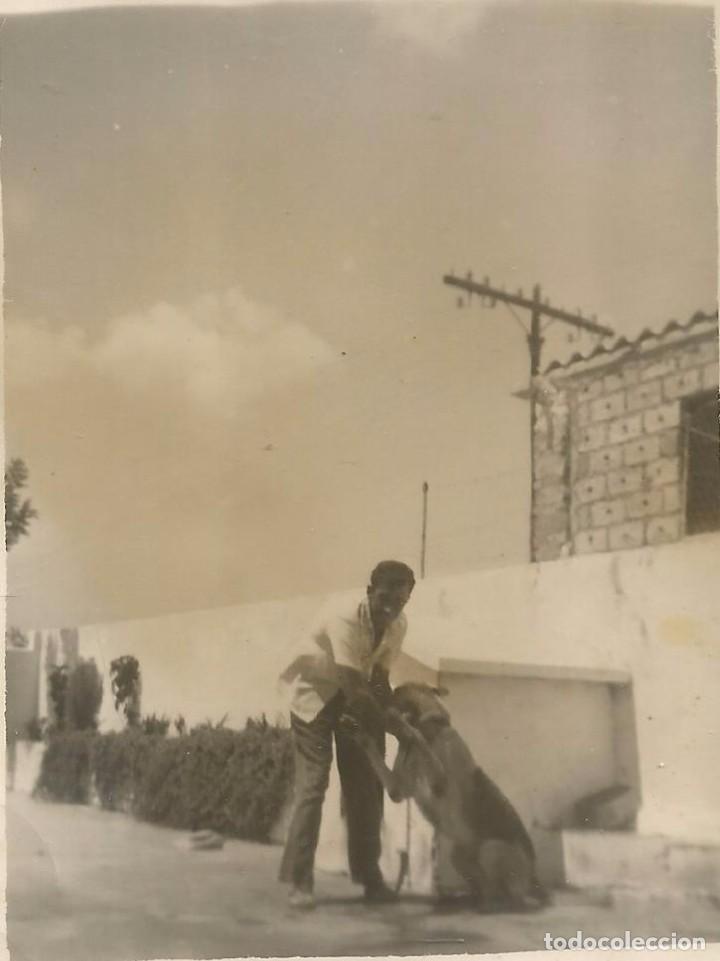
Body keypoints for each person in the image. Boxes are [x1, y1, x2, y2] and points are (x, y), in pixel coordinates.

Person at [278, 560, 416, 910]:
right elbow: (354, 686)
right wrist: (394, 726)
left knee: (366, 785)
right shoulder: (345, 615)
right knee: (314, 786)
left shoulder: (398, 625)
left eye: (399, 601)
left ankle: (370, 878)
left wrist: (396, 719)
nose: (390, 608)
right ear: (370, 592)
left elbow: (379, 682)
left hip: (354, 695)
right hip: (314, 696)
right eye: (384, 598)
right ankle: (299, 880)